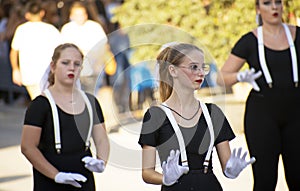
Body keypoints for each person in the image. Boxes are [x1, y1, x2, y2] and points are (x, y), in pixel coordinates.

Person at [138, 43, 255, 190]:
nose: (201, 73)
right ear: (173, 70)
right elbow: (147, 173)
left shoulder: (213, 113)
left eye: (203, 67)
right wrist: (165, 179)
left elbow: (227, 166)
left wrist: (231, 170)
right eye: (194, 67)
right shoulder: (155, 116)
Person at [217, 1, 300, 190]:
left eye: (278, 2)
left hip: (296, 113)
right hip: (263, 115)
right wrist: (239, 76)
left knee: (298, 176)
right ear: (258, 9)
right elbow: (221, 78)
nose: (274, 7)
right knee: (265, 178)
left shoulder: (298, 34)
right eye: (267, 3)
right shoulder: (249, 41)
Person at [21, 43, 110, 191]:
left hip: (83, 180)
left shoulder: (91, 102)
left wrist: (101, 161)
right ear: (53, 66)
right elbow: (28, 147)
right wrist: (56, 175)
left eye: (77, 64)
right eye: (65, 63)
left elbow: (102, 139)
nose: (71, 68)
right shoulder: (40, 105)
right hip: (49, 180)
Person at [10, 0, 61, 100]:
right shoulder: (51, 29)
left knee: (39, 100)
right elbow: (61, 50)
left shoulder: (21, 29)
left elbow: (13, 51)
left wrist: (15, 70)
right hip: (48, 73)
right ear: (42, 13)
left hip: (29, 73)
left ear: (27, 14)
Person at [60, 1, 110, 94]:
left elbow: (104, 46)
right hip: (75, 71)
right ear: (71, 16)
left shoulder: (94, 27)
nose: (80, 17)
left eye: (82, 14)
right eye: (77, 15)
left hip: (94, 69)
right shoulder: (67, 29)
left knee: (92, 95)